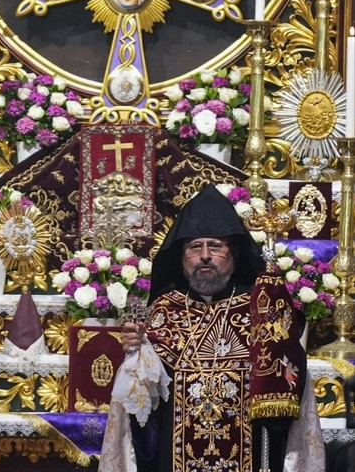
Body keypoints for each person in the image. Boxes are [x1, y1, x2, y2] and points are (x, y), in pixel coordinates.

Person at [99, 185, 324, 472]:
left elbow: (290, 384)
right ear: (181, 258)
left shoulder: (260, 309)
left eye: (216, 246)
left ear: (233, 254)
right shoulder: (162, 313)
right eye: (195, 247)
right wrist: (139, 355)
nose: (205, 255)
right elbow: (138, 412)